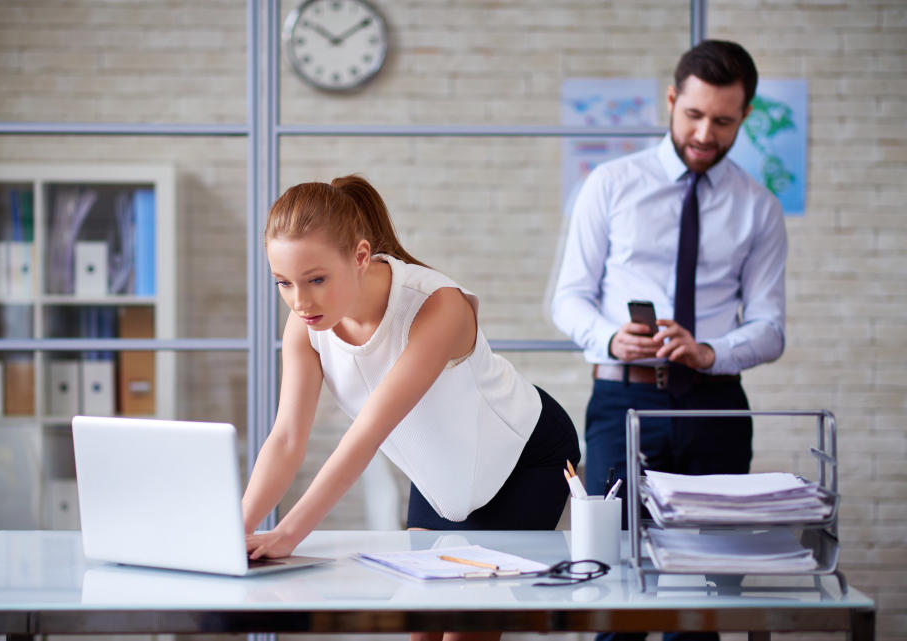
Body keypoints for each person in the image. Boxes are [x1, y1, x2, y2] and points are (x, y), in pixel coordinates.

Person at [243, 174, 580, 641]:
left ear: (360, 256)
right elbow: (285, 439)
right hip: (442, 477)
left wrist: (288, 535)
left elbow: (367, 434)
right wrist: (230, 531)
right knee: (421, 626)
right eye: (284, 283)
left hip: (524, 458)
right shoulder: (306, 325)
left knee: (466, 625)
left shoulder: (437, 306)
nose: (300, 301)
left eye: (316, 279)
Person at [551, 40, 787, 641]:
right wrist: (610, 338)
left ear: (745, 116)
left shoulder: (758, 208)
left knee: (706, 595)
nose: (706, 133)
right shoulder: (610, 184)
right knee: (612, 587)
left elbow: (770, 327)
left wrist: (710, 352)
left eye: (724, 121)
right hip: (621, 404)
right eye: (694, 115)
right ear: (672, 99)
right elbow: (568, 299)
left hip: (716, 407)